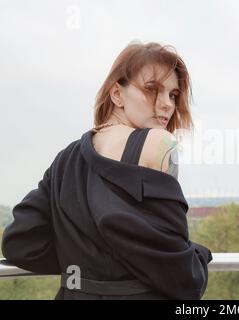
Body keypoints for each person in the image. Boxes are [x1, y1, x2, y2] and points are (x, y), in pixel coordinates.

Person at [1, 41, 213, 300]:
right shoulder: (158, 143)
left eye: (172, 94)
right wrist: (201, 255)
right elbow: (180, 274)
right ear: (117, 94)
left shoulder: (66, 158)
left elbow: (21, 243)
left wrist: (82, 267)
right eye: (152, 89)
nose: (167, 104)